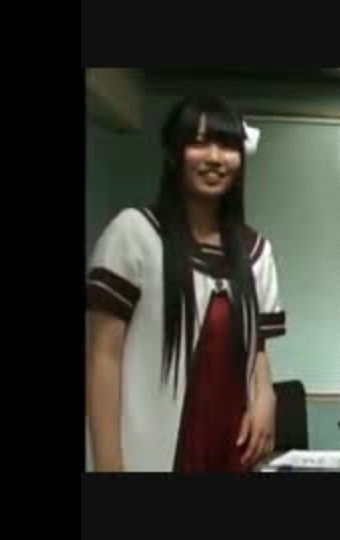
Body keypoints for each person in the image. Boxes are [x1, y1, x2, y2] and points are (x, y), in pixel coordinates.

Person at [85, 95, 286, 472]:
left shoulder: (256, 252)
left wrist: (266, 397)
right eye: (199, 143)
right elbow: (102, 357)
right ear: (173, 155)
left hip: (232, 451)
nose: (215, 157)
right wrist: (107, 466)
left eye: (227, 146)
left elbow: (257, 348)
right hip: (149, 454)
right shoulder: (134, 234)